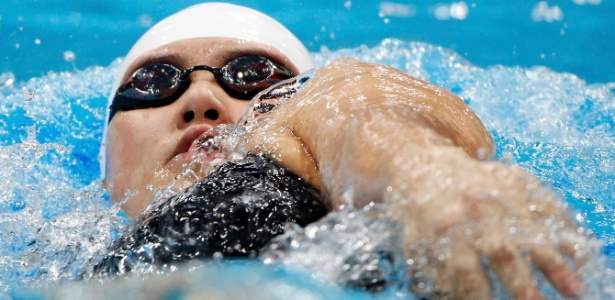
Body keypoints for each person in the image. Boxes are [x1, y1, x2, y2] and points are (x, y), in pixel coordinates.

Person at [98, 2, 588, 298]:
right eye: (152, 83)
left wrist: (428, 171)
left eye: (253, 75)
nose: (201, 99)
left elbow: (361, 105)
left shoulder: (298, 138)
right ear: (105, 171)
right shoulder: (52, 249)